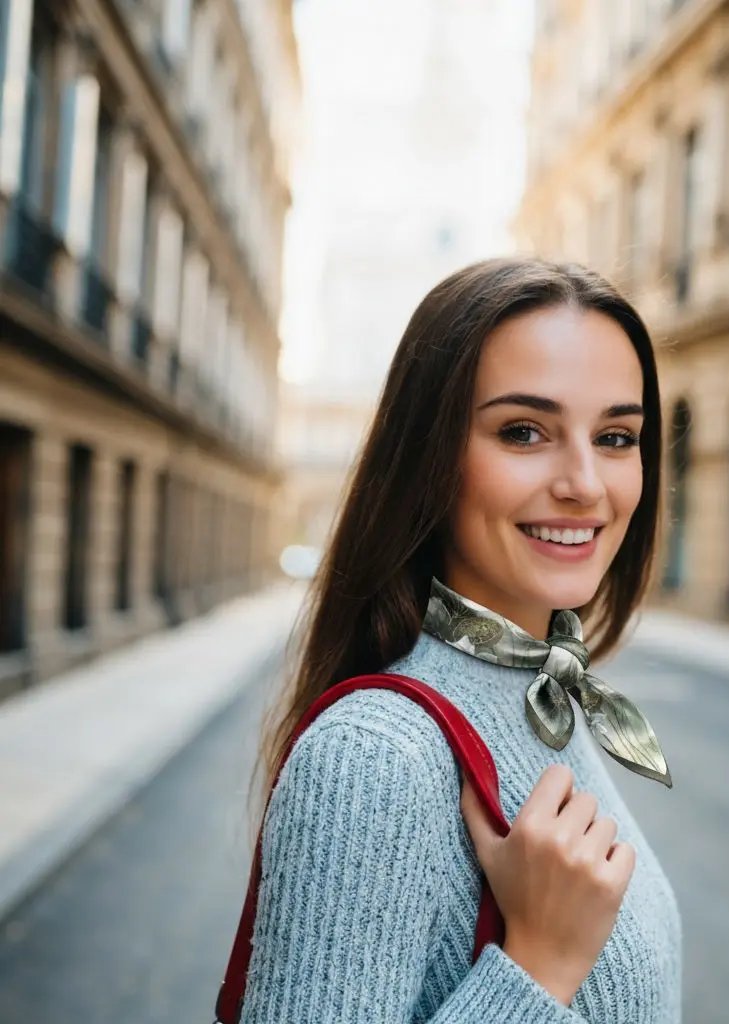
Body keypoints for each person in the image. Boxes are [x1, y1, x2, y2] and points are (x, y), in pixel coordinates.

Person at [240, 257, 684, 1022]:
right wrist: (538, 966)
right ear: (431, 457)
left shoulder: (543, 700)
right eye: (523, 431)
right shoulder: (374, 756)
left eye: (616, 436)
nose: (585, 482)